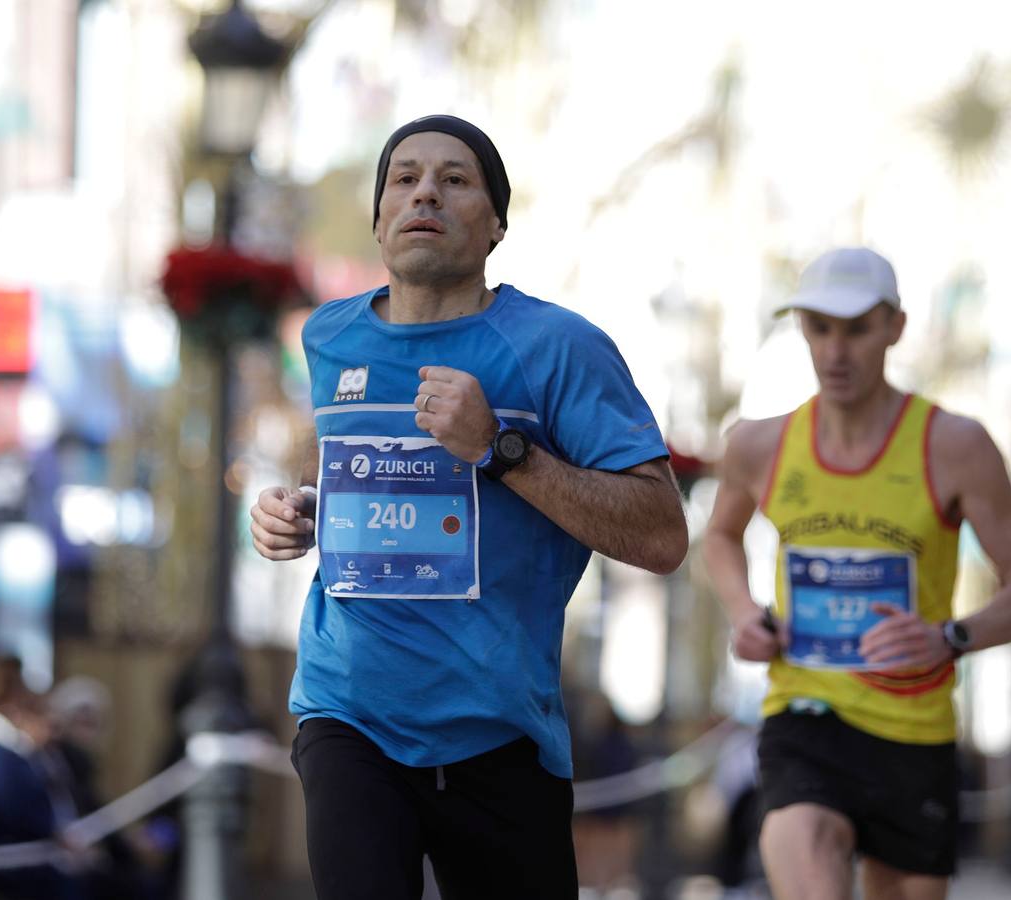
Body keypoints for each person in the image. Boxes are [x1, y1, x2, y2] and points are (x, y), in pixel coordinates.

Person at [249, 114, 687, 899]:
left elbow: (661, 535)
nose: (426, 193)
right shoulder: (330, 338)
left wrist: (502, 448)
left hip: (497, 731)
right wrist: (305, 510)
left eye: (455, 180)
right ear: (380, 219)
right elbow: (377, 483)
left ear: (495, 225)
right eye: (404, 179)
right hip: (348, 710)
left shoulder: (558, 347)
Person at [703, 246, 1011, 900]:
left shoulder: (955, 446)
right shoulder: (759, 443)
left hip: (912, 733)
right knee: (804, 858)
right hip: (804, 715)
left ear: (895, 326)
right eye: (819, 328)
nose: (836, 352)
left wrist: (949, 637)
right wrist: (744, 612)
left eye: (858, 329)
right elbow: (719, 536)